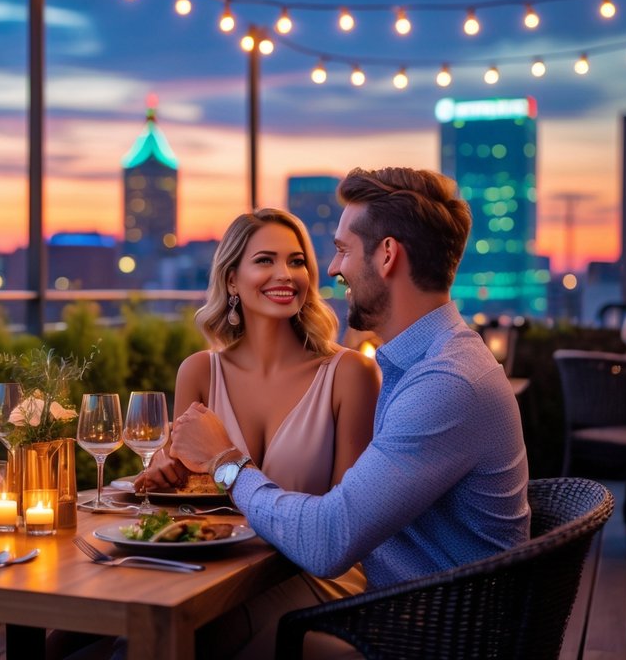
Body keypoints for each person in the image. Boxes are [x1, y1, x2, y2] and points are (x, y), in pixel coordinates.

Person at [171, 167, 529, 657]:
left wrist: (226, 462)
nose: (333, 270)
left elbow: (330, 539)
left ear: (386, 255)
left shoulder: (447, 383)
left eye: (342, 250)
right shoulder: (421, 362)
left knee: (196, 635)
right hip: (406, 608)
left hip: (427, 636)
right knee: (169, 629)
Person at [137, 207, 380, 503]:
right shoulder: (199, 372)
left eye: (296, 262)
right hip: (215, 549)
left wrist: (225, 461)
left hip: (304, 551)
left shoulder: (351, 373)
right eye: (265, 260)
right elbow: (188, 501)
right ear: (231, 280)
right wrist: (165, 473)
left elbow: (348, 517)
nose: (285, 275)